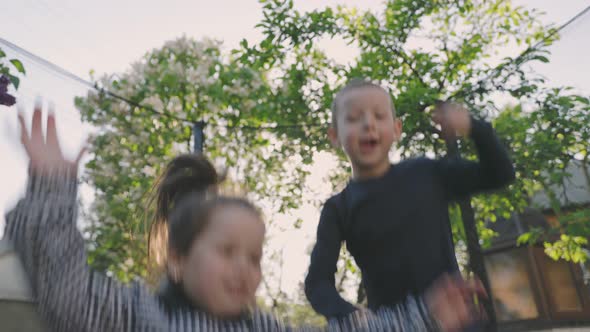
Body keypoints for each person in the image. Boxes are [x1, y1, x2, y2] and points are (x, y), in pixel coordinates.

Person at [4, 103, 484, 331]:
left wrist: (424, 314)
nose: (245, 269)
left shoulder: (261, 328)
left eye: (254, 257)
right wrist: (50, 187)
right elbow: (63, 290)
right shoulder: (137, 315)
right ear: (177, 260)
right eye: (227, 252)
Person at [305, 79, 515, 322]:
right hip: (398, 325)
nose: (368, 124)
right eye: (353, 118)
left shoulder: (427, 173)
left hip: (456, 322)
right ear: (334, 136)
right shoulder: (338, 209)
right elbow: (317, 283)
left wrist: (475, 128)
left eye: (379, 116)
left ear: (396, 129)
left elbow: (500, 174)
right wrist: (349, 315)